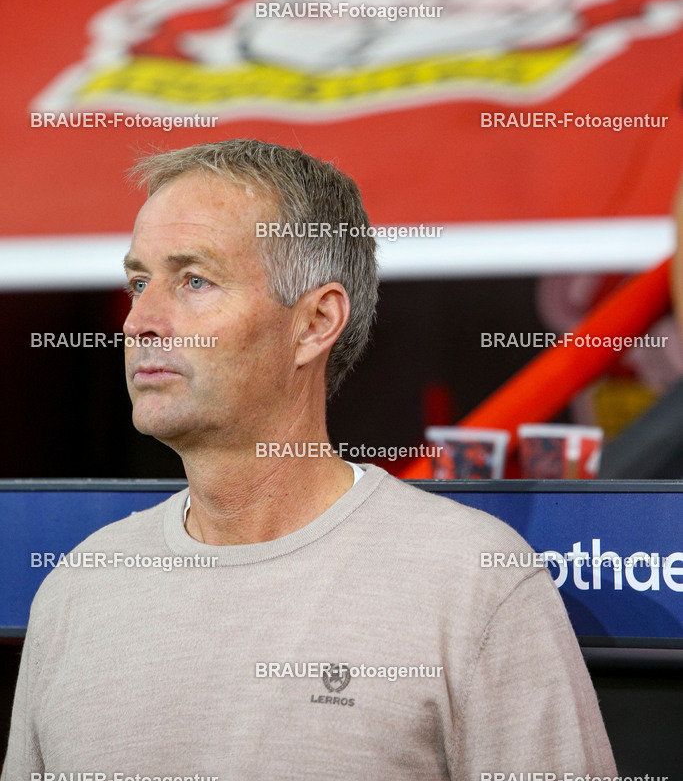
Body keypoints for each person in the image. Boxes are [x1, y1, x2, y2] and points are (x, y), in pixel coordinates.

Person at [2, 139, 616, 779]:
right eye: (138, 282)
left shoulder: (474, 586)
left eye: (195, 280)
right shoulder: (76, 594)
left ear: (316, 321)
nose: (140, 321)